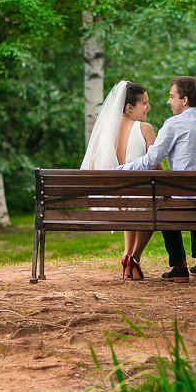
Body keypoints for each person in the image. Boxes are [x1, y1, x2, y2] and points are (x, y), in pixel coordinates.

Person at [117, 76, 196, 282]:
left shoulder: (173, 124)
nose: (168, 101)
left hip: (184, 203)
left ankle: (179, 265)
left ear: (184, 100)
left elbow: (150, 161)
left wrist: (119, 170)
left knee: (165, 205)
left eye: (171, 96)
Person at [81, 80, 158, 280]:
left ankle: (127, 255)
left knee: (129, 203)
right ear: (128, 108)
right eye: (144, 103)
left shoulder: (107, 133)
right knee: (149, 211)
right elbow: (157, 168)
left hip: (114, 199)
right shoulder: (145, 129)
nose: (148, 107)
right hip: (140, 198)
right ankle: (134, 257)